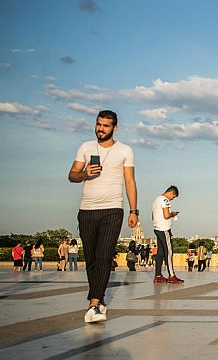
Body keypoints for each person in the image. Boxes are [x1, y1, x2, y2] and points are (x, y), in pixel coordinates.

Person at [68, 110, 139, 323]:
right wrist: (84, 174)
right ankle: (101, 302)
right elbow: (72, 175)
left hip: (112, 210)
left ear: (115, 128)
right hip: (87, 209)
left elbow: (130, 181)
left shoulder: (125, 150)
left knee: (103, 257)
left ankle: (94, 303)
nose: (101, 129)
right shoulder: (85, 147)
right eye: (99, 124)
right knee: (90, 259)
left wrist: (133, 210)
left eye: (106, 126)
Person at [151, 185, 183, 284]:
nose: (172, 199)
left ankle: (158, 275)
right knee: (169, 252)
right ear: (171, 193)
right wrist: (172, 214)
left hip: (157, 228)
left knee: (160, 253)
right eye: (173, 197)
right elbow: (166, 215)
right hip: (164, 229)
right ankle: (172, 275)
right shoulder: (165, 200)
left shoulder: (157, 199)